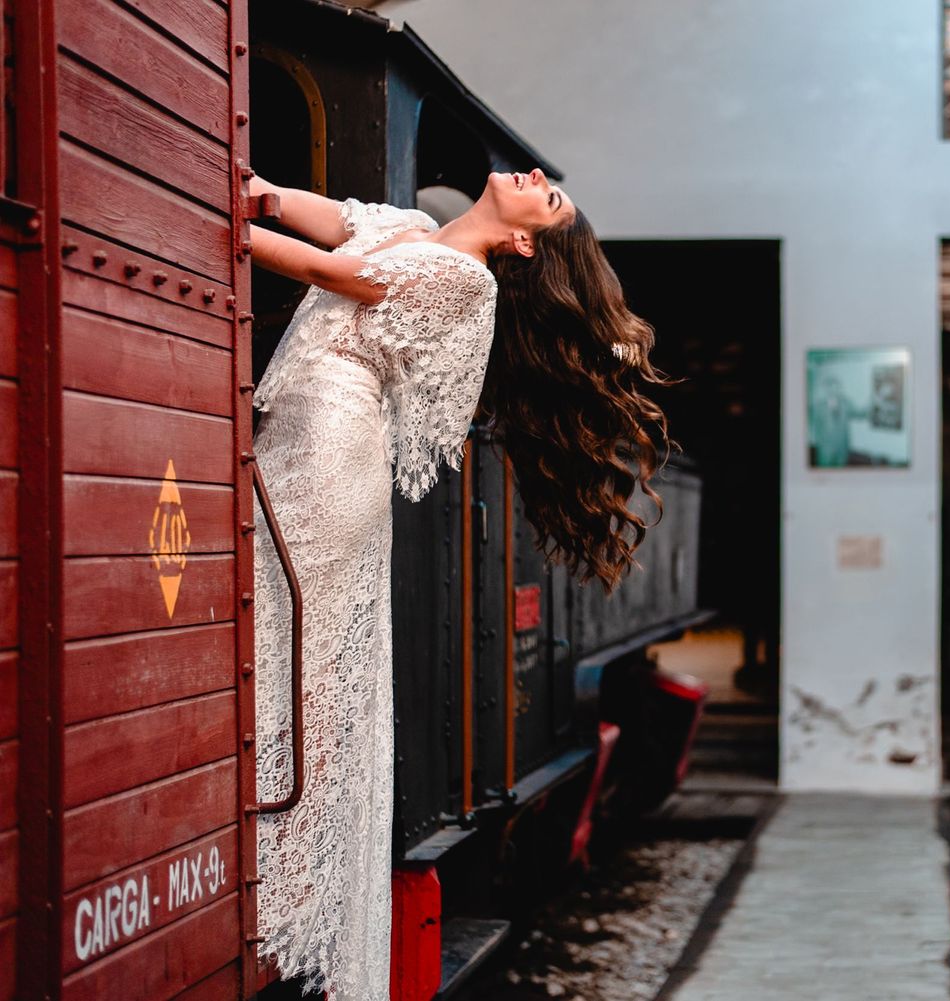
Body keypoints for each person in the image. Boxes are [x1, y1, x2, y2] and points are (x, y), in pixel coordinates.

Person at [246, 169, 670, 999]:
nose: (538, 179)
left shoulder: (466, 279)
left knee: (295, 650)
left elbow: (330, 271)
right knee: (276, 637)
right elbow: (316, 216)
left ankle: (279, 874)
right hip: (297, 436)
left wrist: (203, 216)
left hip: (329, 458)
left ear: (522, 241)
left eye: (548, 198)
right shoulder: (406, 225)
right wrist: (250, 187)